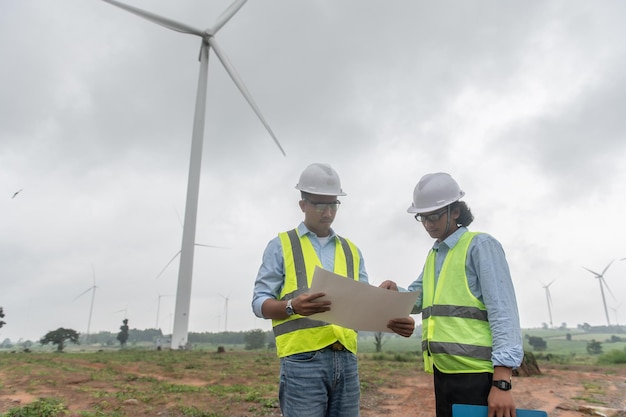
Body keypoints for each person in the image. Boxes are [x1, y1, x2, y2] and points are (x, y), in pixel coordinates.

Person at [252, 162, 414, 417]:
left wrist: (393, 320)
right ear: (302, 204)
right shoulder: (281, 245)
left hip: (347, 361)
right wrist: (293, 307)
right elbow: (259, 303)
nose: (327, 213)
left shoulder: (351, 250)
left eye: (332, 205)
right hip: (302, 361)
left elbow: (363, 305)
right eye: (319, 204)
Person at [383, 172, 523, 417]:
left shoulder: (480, 245)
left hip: (476, 374)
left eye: (434, 216)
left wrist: (502, 382)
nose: (428, 224)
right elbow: (420, 298)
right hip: (443, 372)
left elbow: (504, 313)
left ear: (455, 211)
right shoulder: (436, 254)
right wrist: (396, 293)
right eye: (422, 217)